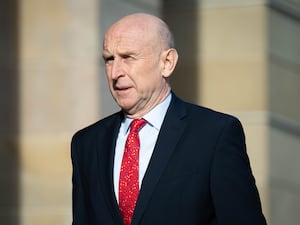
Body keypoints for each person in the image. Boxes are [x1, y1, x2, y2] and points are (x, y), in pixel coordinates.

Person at [71, 13, 267, 225]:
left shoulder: (214, 134)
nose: (115, 72)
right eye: (109, 59)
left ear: (167, 62)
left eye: (128, 57)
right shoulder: (87, 143)